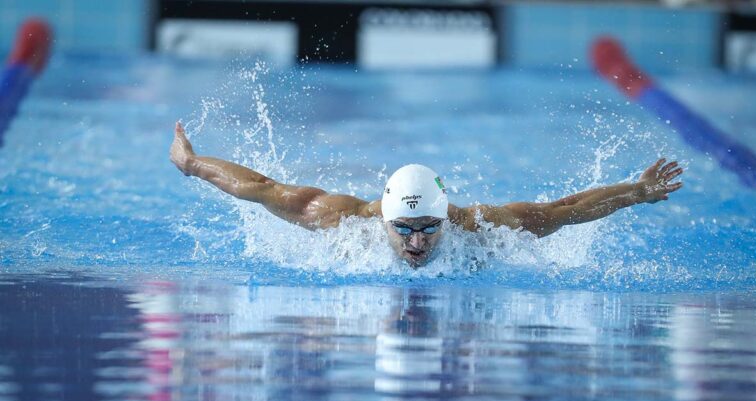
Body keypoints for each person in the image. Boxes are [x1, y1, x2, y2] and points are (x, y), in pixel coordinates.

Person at [170, 122, 684, 267]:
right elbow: (260, 188)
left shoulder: (479, 226)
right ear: (385, 219)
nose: (417, 242)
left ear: (444, 217)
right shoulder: (340, 219)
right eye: (405, 229)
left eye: (427, 228)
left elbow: (563, 211)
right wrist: (192, 163)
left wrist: (633, 192)